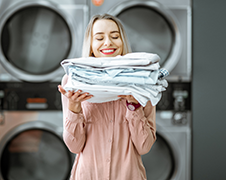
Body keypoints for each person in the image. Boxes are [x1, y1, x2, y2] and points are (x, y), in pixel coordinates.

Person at [58, 14, 156, 180]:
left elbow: (144, 146)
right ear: (91, 45)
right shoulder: (74, 82)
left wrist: (134, 106)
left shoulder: (142, 81)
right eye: (99, 37)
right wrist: (74, 108)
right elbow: (74, 146)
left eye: (115, 36)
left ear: (122, 41)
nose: (108, 42)